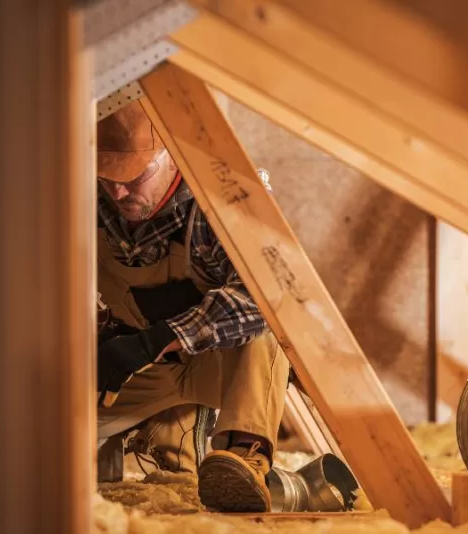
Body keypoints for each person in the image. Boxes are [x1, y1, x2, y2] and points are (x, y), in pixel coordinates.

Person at [94, 100, 288, 513]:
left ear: (171, 155)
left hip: (220, 367)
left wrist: (157, 339)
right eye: (107, 178)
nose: (118, 192)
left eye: (133, 178)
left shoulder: (224, 194)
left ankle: (242, 454)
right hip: (138, 367)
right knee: (35, 430)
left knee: (267, 324)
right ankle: (166, 431)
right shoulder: (90, 199)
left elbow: (267, 293)